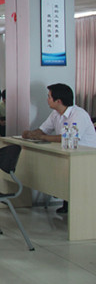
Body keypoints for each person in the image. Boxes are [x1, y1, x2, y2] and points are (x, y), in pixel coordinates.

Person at [21, 83, 96, 214]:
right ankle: (65, 201)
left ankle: (73, 205)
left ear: (58, 101)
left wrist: (42, 137)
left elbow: (66, 137)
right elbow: (43, 130)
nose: (47, 99)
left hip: (85, 158)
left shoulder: (78, 114)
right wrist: (31, 134)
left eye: (49, 97)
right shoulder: (55, 114)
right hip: (68, 153)